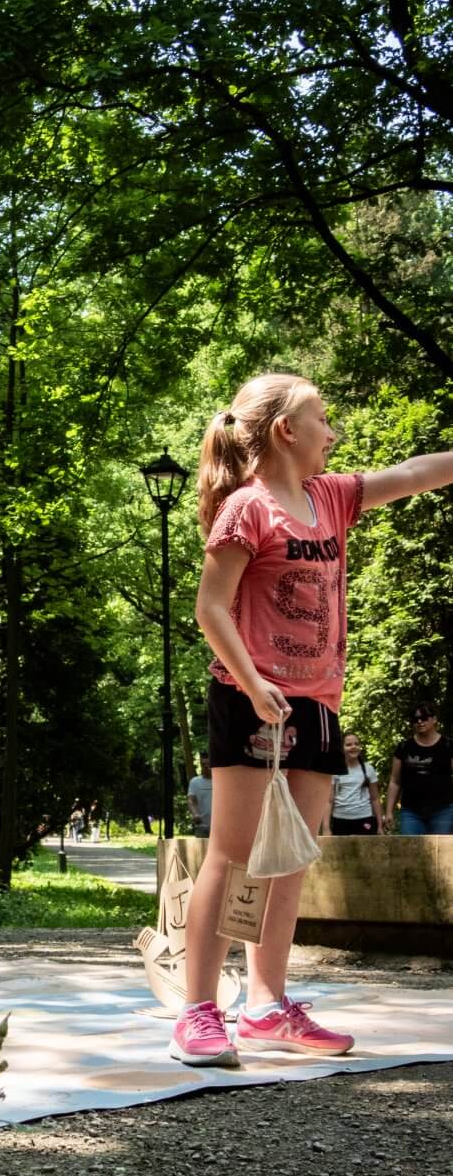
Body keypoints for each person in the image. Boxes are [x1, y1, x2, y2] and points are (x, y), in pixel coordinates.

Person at [172, 371, 453, 1069]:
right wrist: (251, 680)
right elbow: (211, 609)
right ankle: (198, 1010)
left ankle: (266, 1004)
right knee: (233, 852)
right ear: (285, 431)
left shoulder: (331, 498)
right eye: (322, 418)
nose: (334, 431)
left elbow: (414, 472)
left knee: (292, 855)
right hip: (248, 695)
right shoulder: (247, 508)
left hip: (318, 700)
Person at [385, 703, 453, 835]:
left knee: (440, 852)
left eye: (424, 717)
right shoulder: (404, 747)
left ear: (434, 719)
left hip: (443, 810)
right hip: (411, 811)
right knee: (409, 850)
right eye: (415, 719)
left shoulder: (448, 745)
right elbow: (395, 781)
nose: (420, 722)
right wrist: (389, 812)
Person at [325, 732, 383, 835]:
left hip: (365, 817)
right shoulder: (335, 770)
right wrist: (326, 827)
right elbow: (329, 801)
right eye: (348, 745)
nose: (353, 747)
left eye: (356, 744)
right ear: (341, 748)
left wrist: (380, 826)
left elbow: (375, 799)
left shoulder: (368, 769)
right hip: (340, 819)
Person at [186, 755, 213, 838]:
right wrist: (195, 814)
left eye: (208, 764)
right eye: (203, 764)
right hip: (201, 826)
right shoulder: (195, 782)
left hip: (218, 827)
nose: (205, 766)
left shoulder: (220, 781)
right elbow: (191, 801)